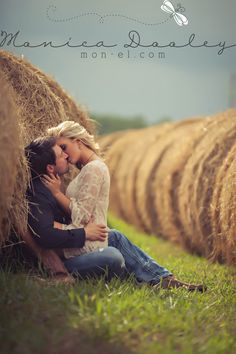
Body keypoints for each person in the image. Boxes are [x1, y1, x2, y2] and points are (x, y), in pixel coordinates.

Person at [25, 134, 206, 292]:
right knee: (112, 256)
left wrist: (67, 223)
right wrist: (84, 233)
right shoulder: (40, 194)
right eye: (61, 152)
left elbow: (60, 221)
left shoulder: (53, 183)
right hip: (63, 260)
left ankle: (163, 278)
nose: (66, 155)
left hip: (71, 245)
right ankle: (139, 281)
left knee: (115, 236)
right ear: (50, 167)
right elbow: (45, 236)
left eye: (65, 148)